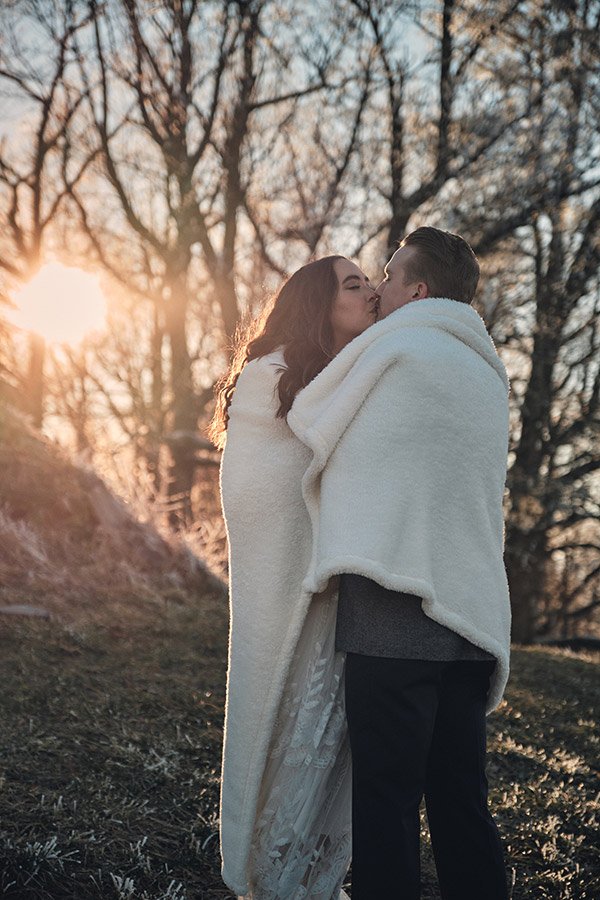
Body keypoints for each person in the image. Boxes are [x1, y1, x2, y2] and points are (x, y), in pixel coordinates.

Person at [287, 226, 512, 899]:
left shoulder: (398, 350)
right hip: (469, 616)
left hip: (396, 608)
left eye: (386, 276)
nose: (376, 290)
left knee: (385, 802)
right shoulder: (485, 370)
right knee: (461, 802)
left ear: (417, 289)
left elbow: (313, 423)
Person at [211, 255, 379, 899]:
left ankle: (311, 870)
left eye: (370, 282)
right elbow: (259, 494)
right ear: (317, 304)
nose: (369, 293)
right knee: (288, 714)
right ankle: (277, 872)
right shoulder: (269, 379)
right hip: (289, 585)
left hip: (334, 585)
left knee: (326, 727)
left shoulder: (345, 377)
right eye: (354, 284)